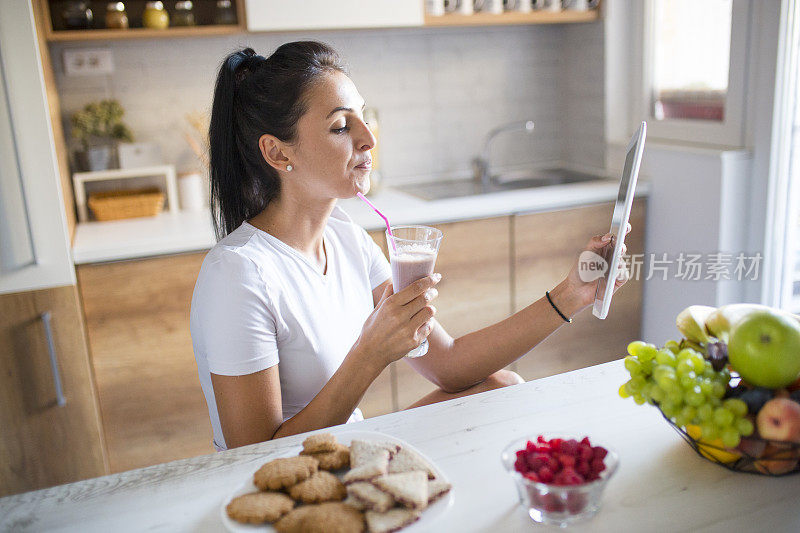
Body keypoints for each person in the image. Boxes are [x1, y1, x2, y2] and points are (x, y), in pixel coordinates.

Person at [190, 42, 629, 451]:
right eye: (341, 126)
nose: (368, 138)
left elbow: (449, 364)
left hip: (348, 452)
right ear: (278, 153)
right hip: (291, 482)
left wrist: (573, 293)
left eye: (364, 117)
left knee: (502, 388)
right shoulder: (239, 273)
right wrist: (370, 353)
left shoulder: (347, 239)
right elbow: (253, 458)